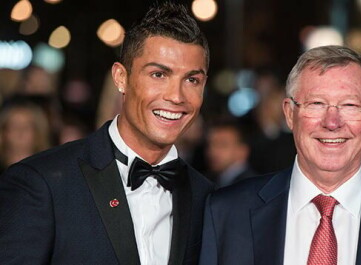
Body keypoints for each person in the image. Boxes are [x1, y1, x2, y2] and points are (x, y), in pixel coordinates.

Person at [199, 45, 361, 265]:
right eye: (316, 103)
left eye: (349, 105)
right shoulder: (225, 213)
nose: (332, 122)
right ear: (289, 114)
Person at [0, 3, 213, 265]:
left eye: (192, 80)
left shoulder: (208, 198)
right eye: (158, 74)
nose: (176, 96)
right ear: (121, 78)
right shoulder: (41, 184)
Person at [0, 100, 51, 173]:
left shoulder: (48, 171)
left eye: (27, 126)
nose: (20, 131)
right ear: (4, 131)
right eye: (14, 126)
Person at [205, 120, 257, 188]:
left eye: (222, 144)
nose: (212, 151)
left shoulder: (250, 187)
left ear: (243, 151)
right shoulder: (210, 179)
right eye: (209, 144)